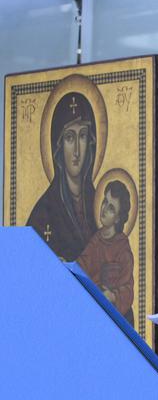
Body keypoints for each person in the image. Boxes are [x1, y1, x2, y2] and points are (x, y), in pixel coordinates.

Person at [27, 93, 99, 261]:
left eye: (82, 136)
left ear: (90, 142)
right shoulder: (43, 212)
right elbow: (24, 269)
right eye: (69, 138)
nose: (76, 151)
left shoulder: (99, 204)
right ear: (57, 146)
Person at [77, 179, 135, 325]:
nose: (104, 209)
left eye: (111, 208)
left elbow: (128, 289)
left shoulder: (122, 248)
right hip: (94, 311)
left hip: (114, 319)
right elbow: (82, 265)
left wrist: (113, 296)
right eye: (104, 202)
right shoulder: (95, 240)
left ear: (118, 218)